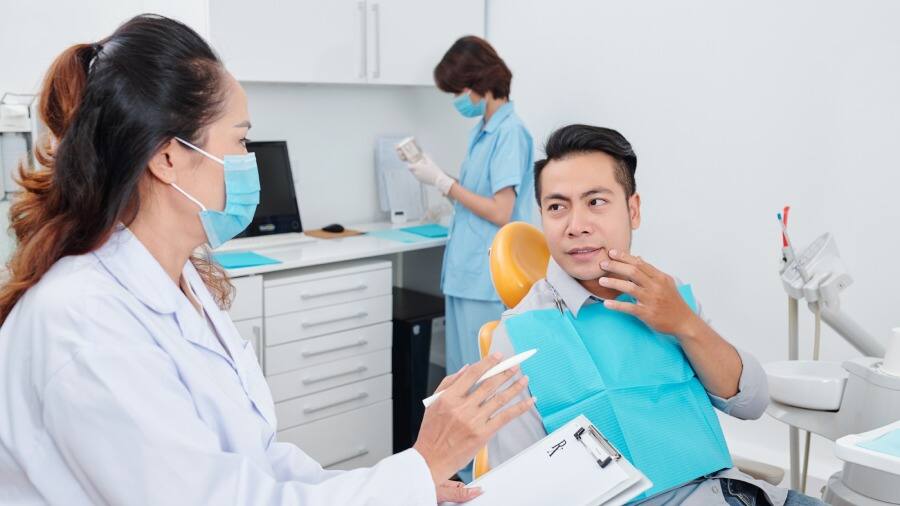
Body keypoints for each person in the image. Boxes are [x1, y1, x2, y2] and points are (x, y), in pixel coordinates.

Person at [0, 15, 534, 505]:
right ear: (167, 157)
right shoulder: (84, 323)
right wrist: (418, 467)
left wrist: (409, 480)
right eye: (240, 140)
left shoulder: (182, 284)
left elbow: (261, 464)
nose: (249, 161)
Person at [487, 124, 826, 505]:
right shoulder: (517, 336)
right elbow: (518, 492)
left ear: (633, 210)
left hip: (740, 493)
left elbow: (752, 402)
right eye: (556, 207)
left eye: (596, 201)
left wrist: (684, 322)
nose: (576, 226)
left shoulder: (664, 293)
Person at [402, 38, 534, 479]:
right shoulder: (483, 130)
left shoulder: (510, 132)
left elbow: (500, 210)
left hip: (485, 277)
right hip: (464, 273)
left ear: (476, 83)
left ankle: (485, 479)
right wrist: (441, 179)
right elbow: (479, 197)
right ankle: (458, 475)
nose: (458, 101)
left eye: (458, 92)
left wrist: (442, 183)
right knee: (461, 382)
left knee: (481, 385)